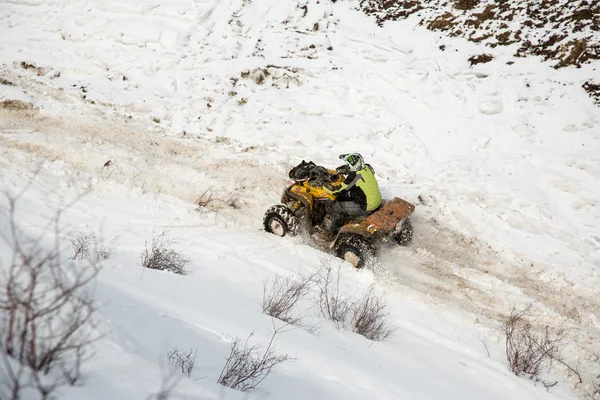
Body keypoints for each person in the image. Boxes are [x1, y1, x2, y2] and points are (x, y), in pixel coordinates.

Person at [323, 153, 382, 234]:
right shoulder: (368, 167)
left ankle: (335, 231)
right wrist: (348, 170)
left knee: (336, 207)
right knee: (347, 195)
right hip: (376, 200)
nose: (348, 165)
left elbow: (337, 191)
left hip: (367, 207)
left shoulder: (355, 177)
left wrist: (323, 185)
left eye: (349, 164)